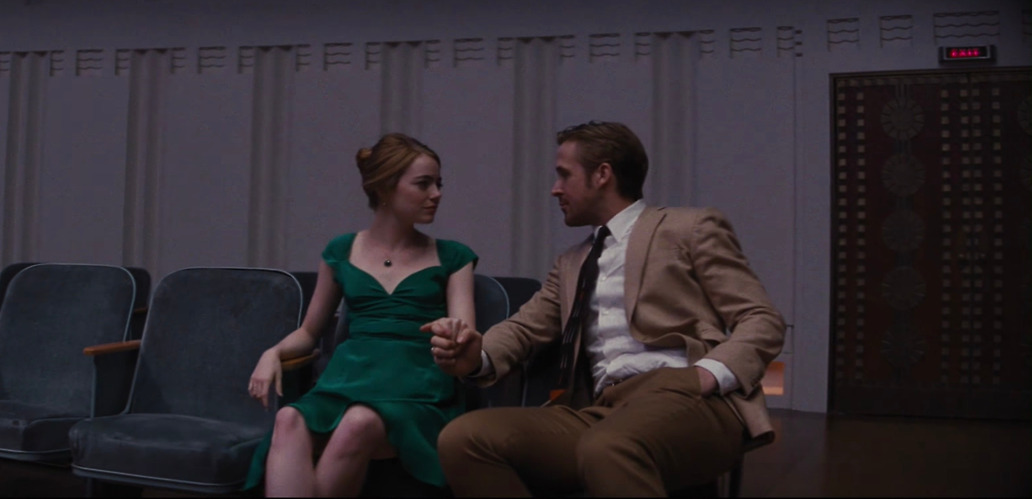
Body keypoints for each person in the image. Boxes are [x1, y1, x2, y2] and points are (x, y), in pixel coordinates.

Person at [422, 121, 784, 496]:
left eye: (564, 174)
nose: (555, 188)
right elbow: (524, 329)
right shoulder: (571, 263)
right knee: (464, 438)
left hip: (687, 397)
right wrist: (476, 356)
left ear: (602, 175)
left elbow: (761, 319)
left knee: (608, 447)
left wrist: (708, 374)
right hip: (602, 408)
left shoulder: (687, 228)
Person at [244, 133, 479, 496]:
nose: (436, 194)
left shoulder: (454, 256)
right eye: (423, 184)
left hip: (416, 390)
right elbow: (309, 333)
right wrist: (271, 353)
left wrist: (452, 332)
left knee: (358, 422)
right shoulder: (340, 250)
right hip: (347, 382)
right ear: (385, 188)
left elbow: (465, 336)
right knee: (288, 417)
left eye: (438, 183)